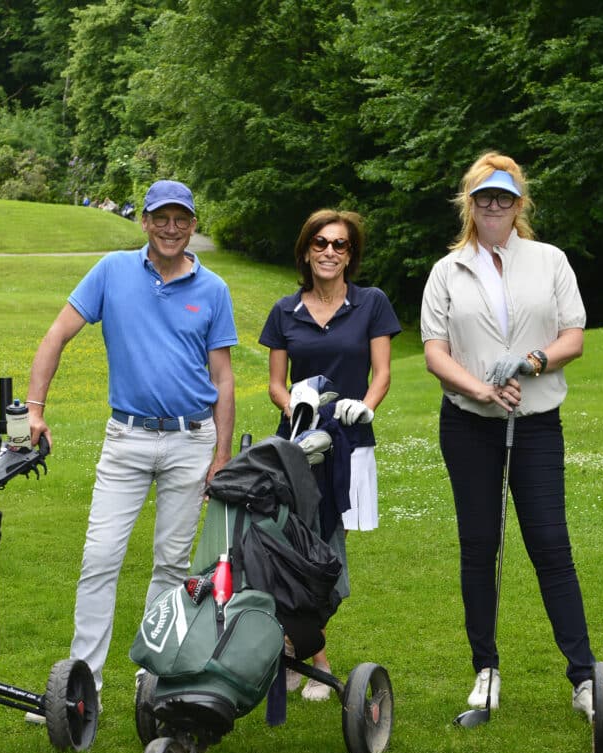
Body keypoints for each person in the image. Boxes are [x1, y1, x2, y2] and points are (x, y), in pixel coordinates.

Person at [23, 179, 237, 719]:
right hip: (127, 439)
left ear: (193, 225)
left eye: (181, 219)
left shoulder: (213, 289)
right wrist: (34, 408)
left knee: (171, 565)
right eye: (161, 218)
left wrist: (221, 456)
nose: (171, 228)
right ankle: (83, 686)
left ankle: (152, 681)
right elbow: (56, 335)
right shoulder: (111, 271)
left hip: (191, 441)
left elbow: (223, 378)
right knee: (99, 559)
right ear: (144, 221)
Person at [419, 152, 596, 719]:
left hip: (536, 423)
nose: (494, 206)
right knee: (479, 547)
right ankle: (486, 671)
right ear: (469, 204)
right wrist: (482, 389)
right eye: (484, 197)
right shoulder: (448, 271)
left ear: (519, 204)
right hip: (468, 425)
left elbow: (573, 336)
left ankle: (584, 678)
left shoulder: (549, 261)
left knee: (550, 545)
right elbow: (435, 352)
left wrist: (532, 361)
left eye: (504, 197)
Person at [258, 208, 401, 701]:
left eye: (340, 244)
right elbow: (276, 383)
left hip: (347, 444)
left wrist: (366, 406)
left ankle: (301, 649)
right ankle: (310, 656)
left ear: (350, 254)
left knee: (326, 550)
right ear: (305, 251)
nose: (329, 252)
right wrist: (293, 404)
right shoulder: (285, 311)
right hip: (296, 446)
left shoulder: (371, 303)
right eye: (320, 243)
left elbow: (382, 373)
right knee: (294, 546)